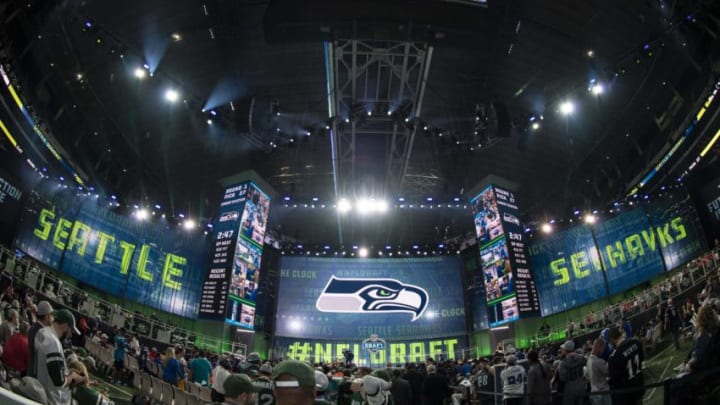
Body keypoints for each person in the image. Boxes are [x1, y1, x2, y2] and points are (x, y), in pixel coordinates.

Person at [35, 309, 85, 405]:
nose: (70, 335)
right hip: (51, 398)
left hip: (41, 388)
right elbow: (59, 382)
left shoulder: (42, 331)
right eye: (71, 331)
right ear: (65, 326)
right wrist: (73, 377)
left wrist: (66, 373)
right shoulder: (53, 342)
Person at [607, 326, 644, 405]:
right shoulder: (636, 343)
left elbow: (615, 380)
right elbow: (642, 358)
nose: (610, 344)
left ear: (612, 339)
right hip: (639, 386)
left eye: (610, 342)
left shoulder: (614, 357)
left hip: (627, 394)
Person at [27, 300, 53, 378]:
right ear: (47, 317)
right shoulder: (42, 333)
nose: (53, 318)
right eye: (51, 315)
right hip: (36, 374)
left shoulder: (34, 327)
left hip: (31, 369)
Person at [557, 341, 586, 405]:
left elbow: (562, 378)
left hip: (570, 387)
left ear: (566, 350)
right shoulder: (581, 357)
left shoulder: (563, 362)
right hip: (581, 384)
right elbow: (585, 363)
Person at [587, 339, 610, 405]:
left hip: (594, 393)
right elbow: (608, 373)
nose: (603, 351)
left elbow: (587, 376)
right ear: (599, 347)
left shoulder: (588, 360)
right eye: (603, 348)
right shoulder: (599, 361)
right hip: (603, 393)